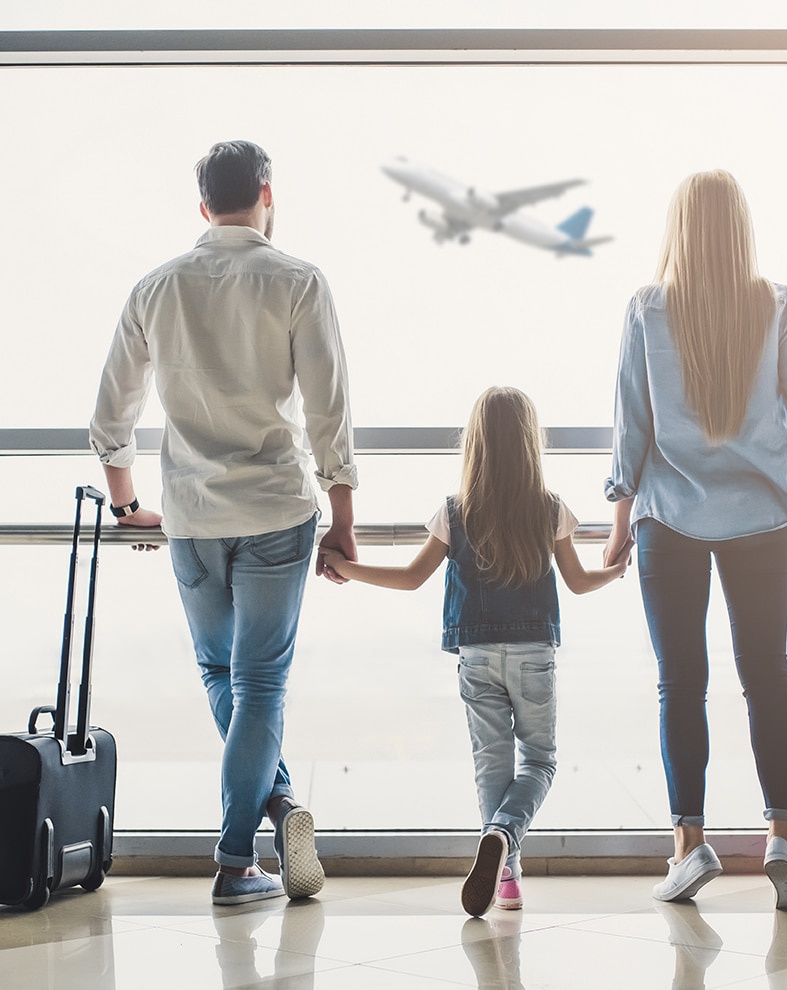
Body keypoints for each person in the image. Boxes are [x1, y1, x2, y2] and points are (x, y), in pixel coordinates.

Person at [602, 170, 787, 910]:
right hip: (760, 518)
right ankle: (782, 837)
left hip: (670, 519)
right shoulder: (779, 304)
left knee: (681, 684)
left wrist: (618, 525)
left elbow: (632, 430)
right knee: (766, 674)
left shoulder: (646, 309)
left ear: (681, 228)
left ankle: (689, 849)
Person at [89, 140, 358, 905]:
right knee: (262, 681)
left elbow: (111, 418)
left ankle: (267, 818)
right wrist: (343, 518)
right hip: (278, 508)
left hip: (193, 517)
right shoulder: (299, 280)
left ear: (202, 205)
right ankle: (239, 853)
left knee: (222, 673)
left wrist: (124, 505)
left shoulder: (156, 288)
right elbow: (328, 411)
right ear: (267, 193)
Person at [320, 386, 629, 917]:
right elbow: (578, 583)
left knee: (492, 766)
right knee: (540, 761)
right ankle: (504, 838)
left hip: (477, 654)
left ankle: (506, 877)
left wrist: (345, 567)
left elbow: (413, 577)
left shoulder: (455, 510)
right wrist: (618, 569)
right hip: (534, 653)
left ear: (476, 444)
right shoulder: (549, 508)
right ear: (530, 443)